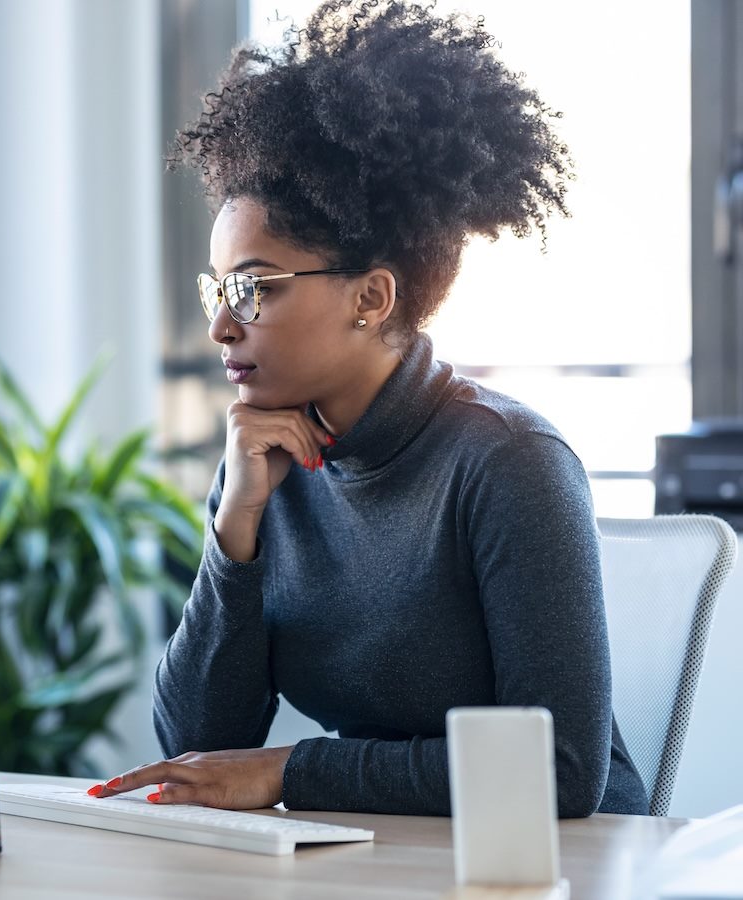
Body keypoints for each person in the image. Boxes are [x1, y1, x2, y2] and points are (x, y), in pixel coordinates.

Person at [86, 0, 649, 817]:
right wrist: (234, 535)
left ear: (371, 298)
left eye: (252, 287)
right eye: (218, 288)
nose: (219, 324)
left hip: (561, 869)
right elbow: (195, 746)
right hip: (383, 861)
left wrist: (292, 772)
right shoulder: (263, 462)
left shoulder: (508, 461)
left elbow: (559, 773)